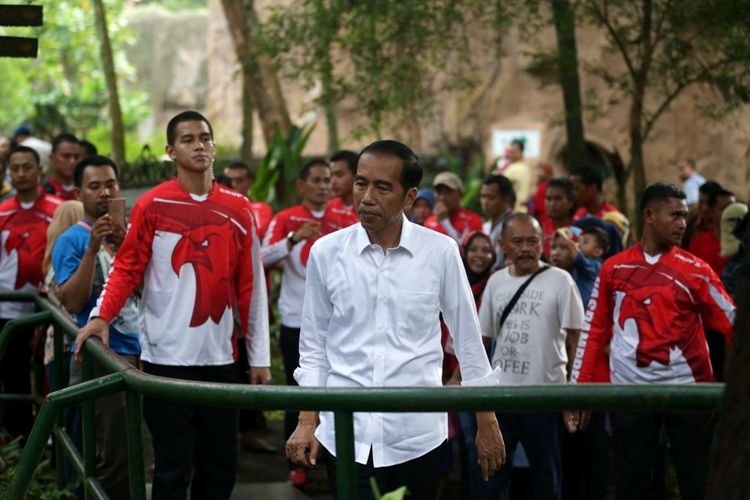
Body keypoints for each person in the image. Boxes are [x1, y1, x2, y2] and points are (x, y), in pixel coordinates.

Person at [286, 140, 505, 499]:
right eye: (360, 183)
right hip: (346, 435)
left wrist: (487, 421)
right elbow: (313, 347)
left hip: (416, 437)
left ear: (409, 197)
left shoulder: (440, 252)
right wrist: (307, 420)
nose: (366, 197)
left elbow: (468, 339)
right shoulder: (326, 253)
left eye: (382, 187)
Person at [76, 111, 271, 500]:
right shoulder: (152, 204)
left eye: (205, 137)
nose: (199, 145)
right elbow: (128, 267)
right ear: (170, 151)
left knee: (220, 467)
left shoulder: (238, 207)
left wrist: (259, 356)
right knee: (172, 467)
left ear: (213, 146)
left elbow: (251, 285)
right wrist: (101, 317)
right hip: (166, 358)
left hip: (220, 359)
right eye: (188, 139)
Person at [568, 183, 735, 500]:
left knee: (697, 483)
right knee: (632, 485)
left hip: (689, 394)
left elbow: (734, 324)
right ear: (649, 215)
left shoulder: (697, 270)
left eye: (684, 215)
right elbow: (593, 331)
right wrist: (580, 388)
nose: (683, 223)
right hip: (631, 394)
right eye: (674, 215)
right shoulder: (613, 269)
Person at [479, 213, 584, 500]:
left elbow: (577, 339)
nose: (526, 248)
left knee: (546, 480)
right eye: (517, 241)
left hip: (546, 396)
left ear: (543, 244)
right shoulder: (496, 282)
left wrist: (574, 393)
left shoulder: (561, 281)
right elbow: (482, 340)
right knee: (492, 480)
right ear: (503, 245)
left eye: (532, 241)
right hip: (501, 399)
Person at [52, 155, 138, 499]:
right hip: (101, 355)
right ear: (79, 193)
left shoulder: (134, 234)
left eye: (111, 184)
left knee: (133, 447)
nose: (105, 192)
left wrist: (123, 245)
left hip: (142, 351)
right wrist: (92, 250)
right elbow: (72, 302)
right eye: (95, 186)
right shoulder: (70, 240)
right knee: (110, 452)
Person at [261, 158, 344, 487]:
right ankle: (296, 462)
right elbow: (260, 258)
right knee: (300, 393)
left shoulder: (345, 218)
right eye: (318, 180)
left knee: (338, 391)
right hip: (296, 321)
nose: (325, 186)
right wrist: (293, 239)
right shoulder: (285, 219)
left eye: (329, 180)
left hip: (340, 324)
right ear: (302, 185)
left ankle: (334, 457)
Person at [0, 146, 62, 437]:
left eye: (27, 167)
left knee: (51, 378)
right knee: (13, 378)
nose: (21, 173)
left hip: (49, 310)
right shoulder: (2, 211)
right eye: (16, 168)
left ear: (40, 171)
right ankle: (21, 442)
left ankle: (53, 443)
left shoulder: (57, 209)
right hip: (8, 309)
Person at [550, 226, 609, 311]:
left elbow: (578, 257)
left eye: (564, 247)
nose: (556, 253)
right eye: (554, 247)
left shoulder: (595, 265)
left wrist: (568, 242)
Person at [424, 171, 483, 244]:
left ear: (460, 194)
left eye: (448, 192)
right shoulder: (429, 222)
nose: (442, 197)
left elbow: (465, 251)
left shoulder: (472, 220)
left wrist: (445, 222)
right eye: (439, 192)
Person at [223, 160, 273, 240]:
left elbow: (259, 233)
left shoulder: (261, 208)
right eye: (228, 181)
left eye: (239, 180)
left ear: (250, 182)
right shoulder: (211, 208)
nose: (233, 184)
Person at [480, 174, 515, 267]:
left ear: (506, 199)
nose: (485, 202)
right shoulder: (485, 226)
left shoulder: (515, 226)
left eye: (491, 198)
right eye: (483, 196)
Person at [542, 178, 576, 258]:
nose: (552, 204)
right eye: (548, 199)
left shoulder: (577, 233)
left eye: (557, 199)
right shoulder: (540, 228)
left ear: (570, 202)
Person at [43, 133, 81, 201]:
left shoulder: (85, 191)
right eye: (66, 156)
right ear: (51, 158)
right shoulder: (42, 192)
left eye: (76, 157)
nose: (72, 161)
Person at [498, 139, 533, 213]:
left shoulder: (516, 168)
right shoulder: (525, 167)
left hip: (515, 210)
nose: (512, 154)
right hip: (522, 210)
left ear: (521, 152)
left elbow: (500, 186)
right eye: (511, 151)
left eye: (514, 151)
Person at [328, 149, 359, 226]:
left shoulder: (366, 209)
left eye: (339, 175)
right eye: (331, 175)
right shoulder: (328, 207)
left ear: (356, 176)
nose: (333, 181)